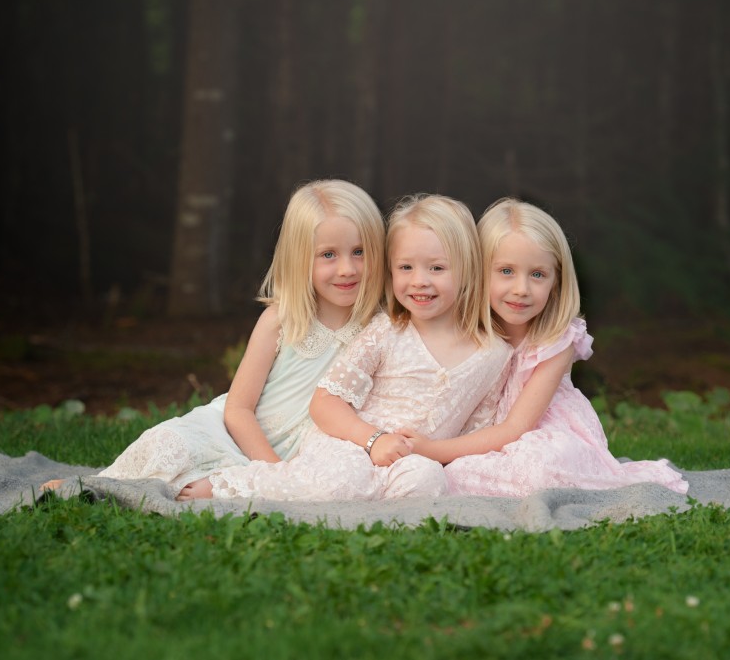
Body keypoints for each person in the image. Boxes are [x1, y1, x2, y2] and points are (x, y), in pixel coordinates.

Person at [40, 179, 385, 496]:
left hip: (311, 451)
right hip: (239, 437)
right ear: (299, 259)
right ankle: (101, 484)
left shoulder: (382, 327)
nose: (347, 269)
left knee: (207, 487)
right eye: (328, 255)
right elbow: (238, 409)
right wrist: (272, 468)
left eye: (359, 252)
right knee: (170, 444)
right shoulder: (282, 320)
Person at [180, 194, 512, 501]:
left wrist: (433, 453)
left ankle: (369, 519)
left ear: (469, 268)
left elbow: (479, 426)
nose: (419, 281)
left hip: (412, 459)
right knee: (344, 480)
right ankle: (233, 487)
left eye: (437, 268)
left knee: (426, 482)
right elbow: (325, 402)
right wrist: (373, 439)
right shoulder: (387, 330)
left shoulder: (494, 354)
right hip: (349, 443)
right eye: (405, 267)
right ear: (391, 268)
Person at [409, 198, 689, 496]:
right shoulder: (468, 330)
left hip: (545, 434)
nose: (521, 289)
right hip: (483, 432)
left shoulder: (556, 339)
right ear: (478, 272)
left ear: (556, 282)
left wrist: (434, 450)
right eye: (506, 271)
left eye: (537, 275)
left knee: (538, 467)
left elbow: (517, 428)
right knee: (456, 473)